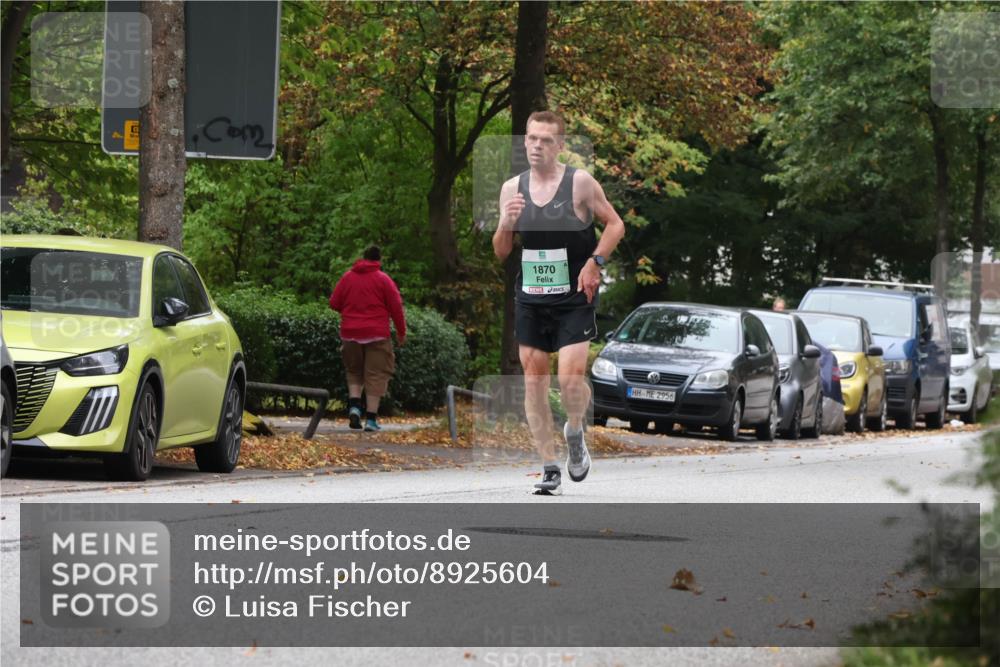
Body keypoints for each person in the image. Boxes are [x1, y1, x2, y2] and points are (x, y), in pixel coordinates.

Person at [492, 111, 626, 496]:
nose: (536, 145)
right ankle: (549, 467)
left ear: (561, 145)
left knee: (569, 380)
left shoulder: (579, 183)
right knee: (534, 383)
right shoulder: (511, 189)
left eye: (546, 140)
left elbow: (615, 224)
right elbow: (501, 253)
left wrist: (595, 262)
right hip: (531, 298)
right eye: (531, 138)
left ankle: (573, 429)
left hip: (573, 296)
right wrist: (505, 222)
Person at [329, 246, 406, 431]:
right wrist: (401, 332)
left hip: (350, 333)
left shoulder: (348, 277)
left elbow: (334, 302)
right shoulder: (383, 280)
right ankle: (371, 420)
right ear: (379, 260)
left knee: (354, 371)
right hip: (377, 334)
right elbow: (396, 307)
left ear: (363, 258)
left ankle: (354, 407)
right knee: (376, 374)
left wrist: (351, 314)